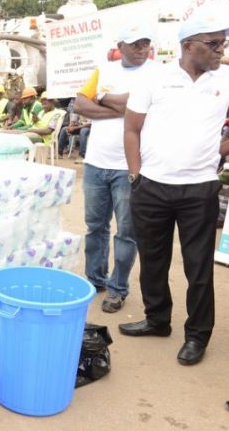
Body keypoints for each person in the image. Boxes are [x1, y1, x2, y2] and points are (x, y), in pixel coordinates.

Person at [120, 7, 229, 366]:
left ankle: (197, 335)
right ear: (187, 45)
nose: (220, 50)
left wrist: (219, 151)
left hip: (199, 190)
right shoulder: (154, 79)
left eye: (223, 43)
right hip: (152, 187)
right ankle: (157, 320)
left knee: (197, 267)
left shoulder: (225, 80)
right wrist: (136, 176)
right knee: (153, 260)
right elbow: (132, 129)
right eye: (213, 43)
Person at [73, 23, 155, 313]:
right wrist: (122, 106)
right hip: (96, 163)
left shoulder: (155, 74)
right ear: (120, 45)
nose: (141, 49)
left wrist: (103, 98)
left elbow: (144, 107)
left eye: (145, 43)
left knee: (126, 232)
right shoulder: (103, 71)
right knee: (95, 227)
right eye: (135, 44)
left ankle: (118, 288)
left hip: (128, 165)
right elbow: (79, 105)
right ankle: (95, 279)